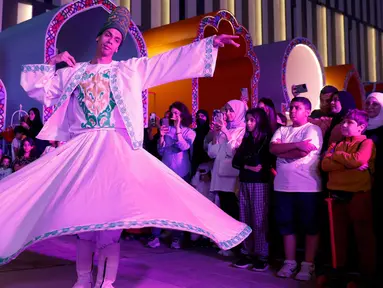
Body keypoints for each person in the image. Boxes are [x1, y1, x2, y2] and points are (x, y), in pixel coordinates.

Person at [0, 7, 251, 288]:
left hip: (113, 149)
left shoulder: (128, 70)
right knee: (84, 223)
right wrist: (55, 60)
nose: (110, 41)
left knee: (110, 226)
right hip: (82, 150)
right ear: (98, 38)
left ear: (119, 46)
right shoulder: (75, 72)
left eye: (117, 39)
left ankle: (106, 283)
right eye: (107, 35)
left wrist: (208, 45)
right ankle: (83, 280)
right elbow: (39, 90)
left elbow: (166, 62)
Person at [270, 97, 323, 281]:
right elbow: (273, 149)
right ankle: (290, 262)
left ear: (307, 111)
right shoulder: (282, 129)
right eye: (291, 107)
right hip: (283, 186)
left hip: (307, 187)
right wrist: (296, 144)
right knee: (286, 225)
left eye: (297, 108)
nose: (292, 111)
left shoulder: (312, 129)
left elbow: (303, 153)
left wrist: (287, 149)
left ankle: (308, 264)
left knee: (310, 226)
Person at [321, 109, 376, 287]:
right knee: (338, 237)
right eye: (343, 122)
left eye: (349, 123)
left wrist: (337, 158)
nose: (344, 125)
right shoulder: (336, 144)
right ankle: (338, 272)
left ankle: (367, 276)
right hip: (336, 196)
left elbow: (359, 160)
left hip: (358, 196)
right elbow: (324, 164)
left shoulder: (366, 143)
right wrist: (347, 162)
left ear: (361, 127)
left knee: (363, 237)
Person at [232, 108, 273, 271]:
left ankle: (262, 254)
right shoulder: (247, 140)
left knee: (259, 218)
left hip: (260, 183)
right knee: (244, 217)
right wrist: (248, 165)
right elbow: (236, 162)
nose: (248, 123)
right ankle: (246, 252)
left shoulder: (266, 139)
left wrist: (247, 164)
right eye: (247, 120)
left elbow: (263, 163)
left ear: (259, 121)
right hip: (245, 181)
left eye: (252, 120)